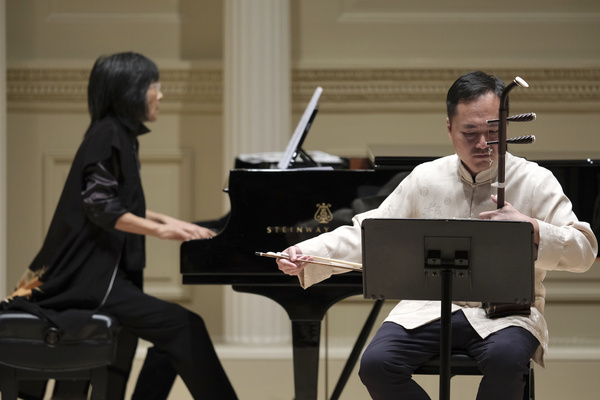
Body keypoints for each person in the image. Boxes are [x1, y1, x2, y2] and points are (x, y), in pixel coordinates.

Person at [276, 71, 598, 400]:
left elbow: (584, 250)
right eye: (469, 132)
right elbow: (372, 232)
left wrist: (532, 229)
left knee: (505, 361)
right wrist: (307, 252)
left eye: (493, 132)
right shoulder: (425, 178)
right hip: (428, 308)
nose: (482, 144)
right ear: (449, 128)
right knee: (376, 364)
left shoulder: (535, 180)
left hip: (507, 313)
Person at [2, 52, 238, 400]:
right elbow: (100, 207)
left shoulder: (117, 134)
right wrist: (163, 231)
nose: (160, 95)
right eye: (153, 86)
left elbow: (119, 203)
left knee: (171, 336)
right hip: (90, 281)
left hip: (105, 277)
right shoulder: (107, 134)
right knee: (186, 327)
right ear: (130, 91)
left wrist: (174, 223)